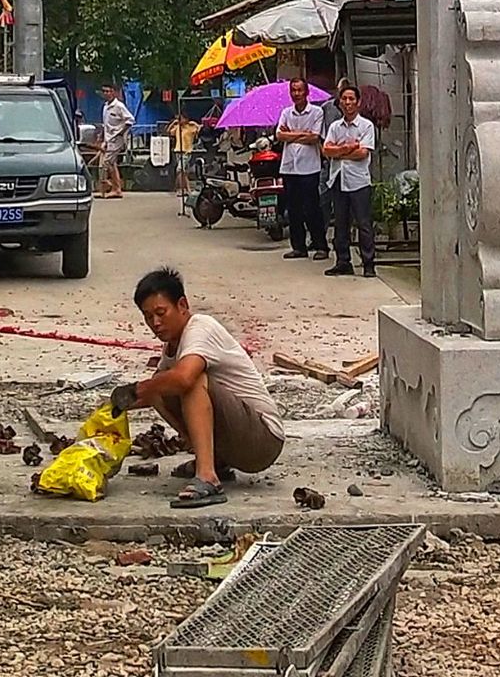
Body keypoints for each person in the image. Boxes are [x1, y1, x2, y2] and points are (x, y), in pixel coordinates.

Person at [114, 266, 285, 509]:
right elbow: (155, 389)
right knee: (160, 387)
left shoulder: (200, 328)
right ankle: (214, 461)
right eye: (148, 316)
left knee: (188, 381)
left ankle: (208, 476)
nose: (155, 323)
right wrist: (112, 409)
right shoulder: (173, 345)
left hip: (263, 439)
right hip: (236, 441)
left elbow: (184, 379)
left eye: (161, 313)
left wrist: (140, 389)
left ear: (182, 305)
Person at [322, 84, 378, 277]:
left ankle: (368, 263)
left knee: (363, 224)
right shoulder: (335, 127)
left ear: (358, 102)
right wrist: (348, 148)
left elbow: (363, 153)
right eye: (344, 99)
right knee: (340, 223)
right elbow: (326, 150)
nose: (347, 103)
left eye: (351, 99)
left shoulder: (366, 126)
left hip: (359, 182)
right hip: (338, 179)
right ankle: (343, 261)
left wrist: (339, 152)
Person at [272, 76, 329, 262]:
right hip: (289, 167)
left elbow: (314, 138)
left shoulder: (316, 112)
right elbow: (279, 135)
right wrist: (301, 134)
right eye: (293, 90)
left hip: (309, 167)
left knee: (312, 208)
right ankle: (298, 247)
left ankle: (320, 245)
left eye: (299, 90)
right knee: (293, 209)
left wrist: (292, 134)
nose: (296, 94)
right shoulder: (286, 112)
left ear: (306, 92)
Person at [99, 84, 134, 198]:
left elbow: (130, 120)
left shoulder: (119, 106)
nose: (106, 93)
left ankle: (114, 187)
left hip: (117, 139)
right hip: (108, 139)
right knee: (111, 163)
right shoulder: (105, 107)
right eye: (104, 91)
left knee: (107, 162)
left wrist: (121, 132)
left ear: (113, 92)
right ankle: (114, 188)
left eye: (108, 91)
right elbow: (106, 125)